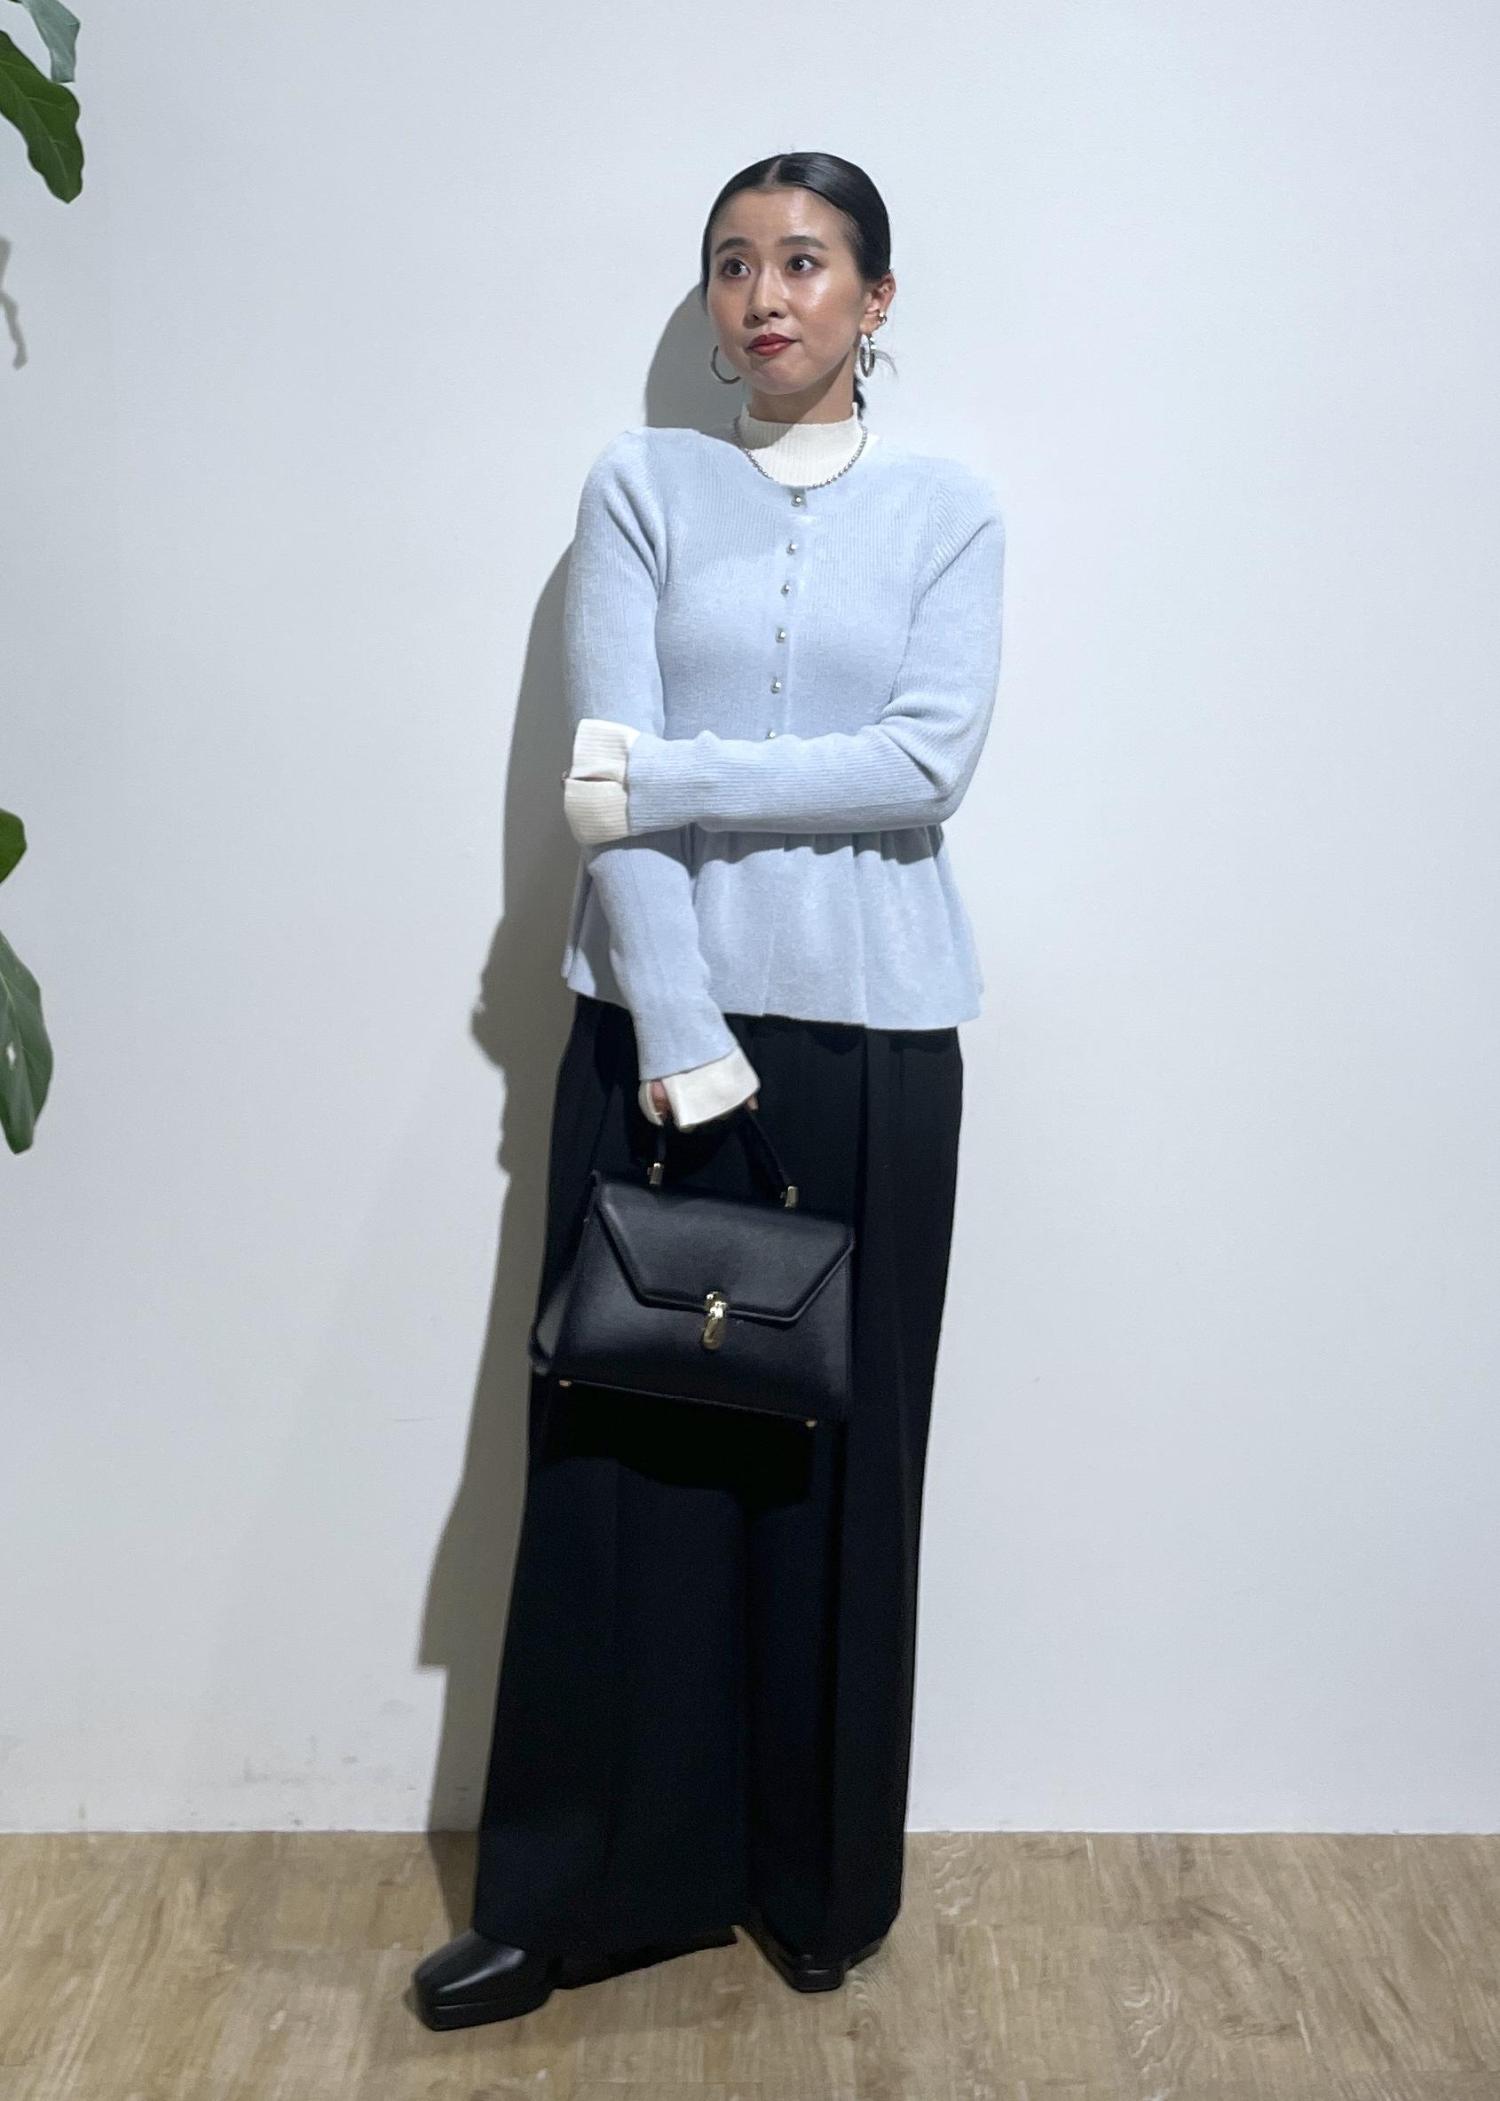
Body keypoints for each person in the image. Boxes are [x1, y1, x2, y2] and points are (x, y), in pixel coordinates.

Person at [412, 148, 1006, 2031]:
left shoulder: (949, 510)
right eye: (736, 263)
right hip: (656, 1036)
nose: (768, 295)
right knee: (615, 1466)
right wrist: (679, 1032)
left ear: (875, 300)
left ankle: (813, 1875)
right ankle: (566, 1894)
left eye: (808, 262)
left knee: (841, 1466)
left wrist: (669, 774)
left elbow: (923, 765)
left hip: (874, 1051)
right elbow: (602, 788)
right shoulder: (640, 485)